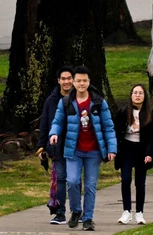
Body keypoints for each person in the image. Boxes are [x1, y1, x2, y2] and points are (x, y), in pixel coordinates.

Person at [50, 66, 117, 231]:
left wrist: (112, 149)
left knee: (90, 185)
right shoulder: (66, 102)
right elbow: (57, 122)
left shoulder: (98, 102)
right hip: (73, 150)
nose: (81, 84)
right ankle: (76, 210)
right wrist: (54, 134)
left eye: (84, 81)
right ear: (73, 82)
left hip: (93, 151)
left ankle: (88, 218)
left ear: (89, 82)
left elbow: (109, 127)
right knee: (72, 181)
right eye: (78, 80)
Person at [114, 84, 153, 225]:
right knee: (126, 179)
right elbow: (115, 132)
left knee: (140, 183)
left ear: (144, 96)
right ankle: (126, 211)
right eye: (135, 92)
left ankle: (139, 212)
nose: (138, 95)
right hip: (126, 150)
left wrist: (150, 154)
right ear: (131, 95)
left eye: (141, 93)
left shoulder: (151, 115)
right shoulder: (123, 113)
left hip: (142, 151)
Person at [36, 66, 74, 225]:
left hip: (75, 145)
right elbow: (44, 124)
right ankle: (60, 212)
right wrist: (41, 147)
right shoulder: (51, 101)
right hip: (57, 147)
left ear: (73, 80)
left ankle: (77, 211)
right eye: (63, 79)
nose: (66, 81)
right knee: (60, 179)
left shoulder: (78, 98)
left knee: (74, 181)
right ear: (59, 81)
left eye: (68, 78)